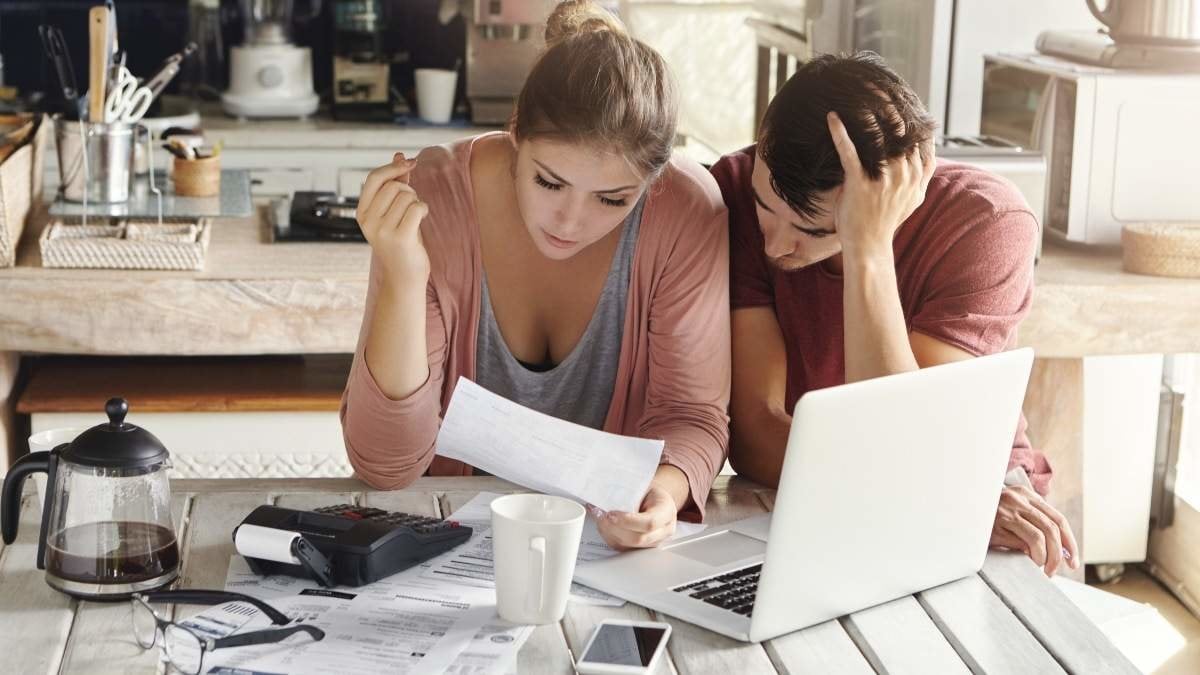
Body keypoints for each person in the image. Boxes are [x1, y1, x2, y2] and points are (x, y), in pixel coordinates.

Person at [340, 0, 730, 550]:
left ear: (653, 180)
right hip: (444, 547)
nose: (571, 222)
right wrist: (405, 277)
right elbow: (386, 465)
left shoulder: (687, 210)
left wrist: (662, 495)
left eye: (612, 199)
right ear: (516, 130)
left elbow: (690, 415)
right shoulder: (433, 198)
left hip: (603, 551)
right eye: (549, 183)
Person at [713, 52, 1079, 576]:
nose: (775, 246)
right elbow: (755, 432)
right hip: (822, 484)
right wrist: (916, 489)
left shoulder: (985, 220)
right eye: (764, 208)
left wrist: (868, 247)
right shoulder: (731, 186)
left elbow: (912, 438)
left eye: (813, 230)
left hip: (979, 491)